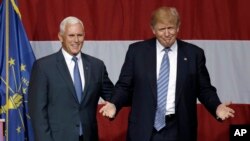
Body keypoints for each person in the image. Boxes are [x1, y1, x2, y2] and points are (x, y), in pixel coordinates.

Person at [99, 6, 235, 141]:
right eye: (161, 29)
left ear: (178, 27)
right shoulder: (137, 52)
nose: (167, 33)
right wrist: (114, 104)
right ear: (153, 29)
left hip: (179, 128)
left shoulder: (194, 54)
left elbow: (204, 89)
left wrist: (216, 106)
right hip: (144, 128)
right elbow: (124, 85)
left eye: (170, 28)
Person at [28, 16, 114, 141]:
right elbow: (37, 113)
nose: (76, 40)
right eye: (71, 35)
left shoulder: (97, 66)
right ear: (60, 37)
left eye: (80, 35)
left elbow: (113, 96)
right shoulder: (43, 67)